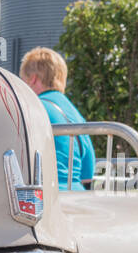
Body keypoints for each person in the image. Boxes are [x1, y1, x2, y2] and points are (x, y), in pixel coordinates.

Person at [19, 46, 94, 190]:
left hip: (44, 196)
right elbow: (87, 171)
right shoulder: (74, 112)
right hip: (76, 194)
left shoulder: (32, 108)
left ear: (33, 79)